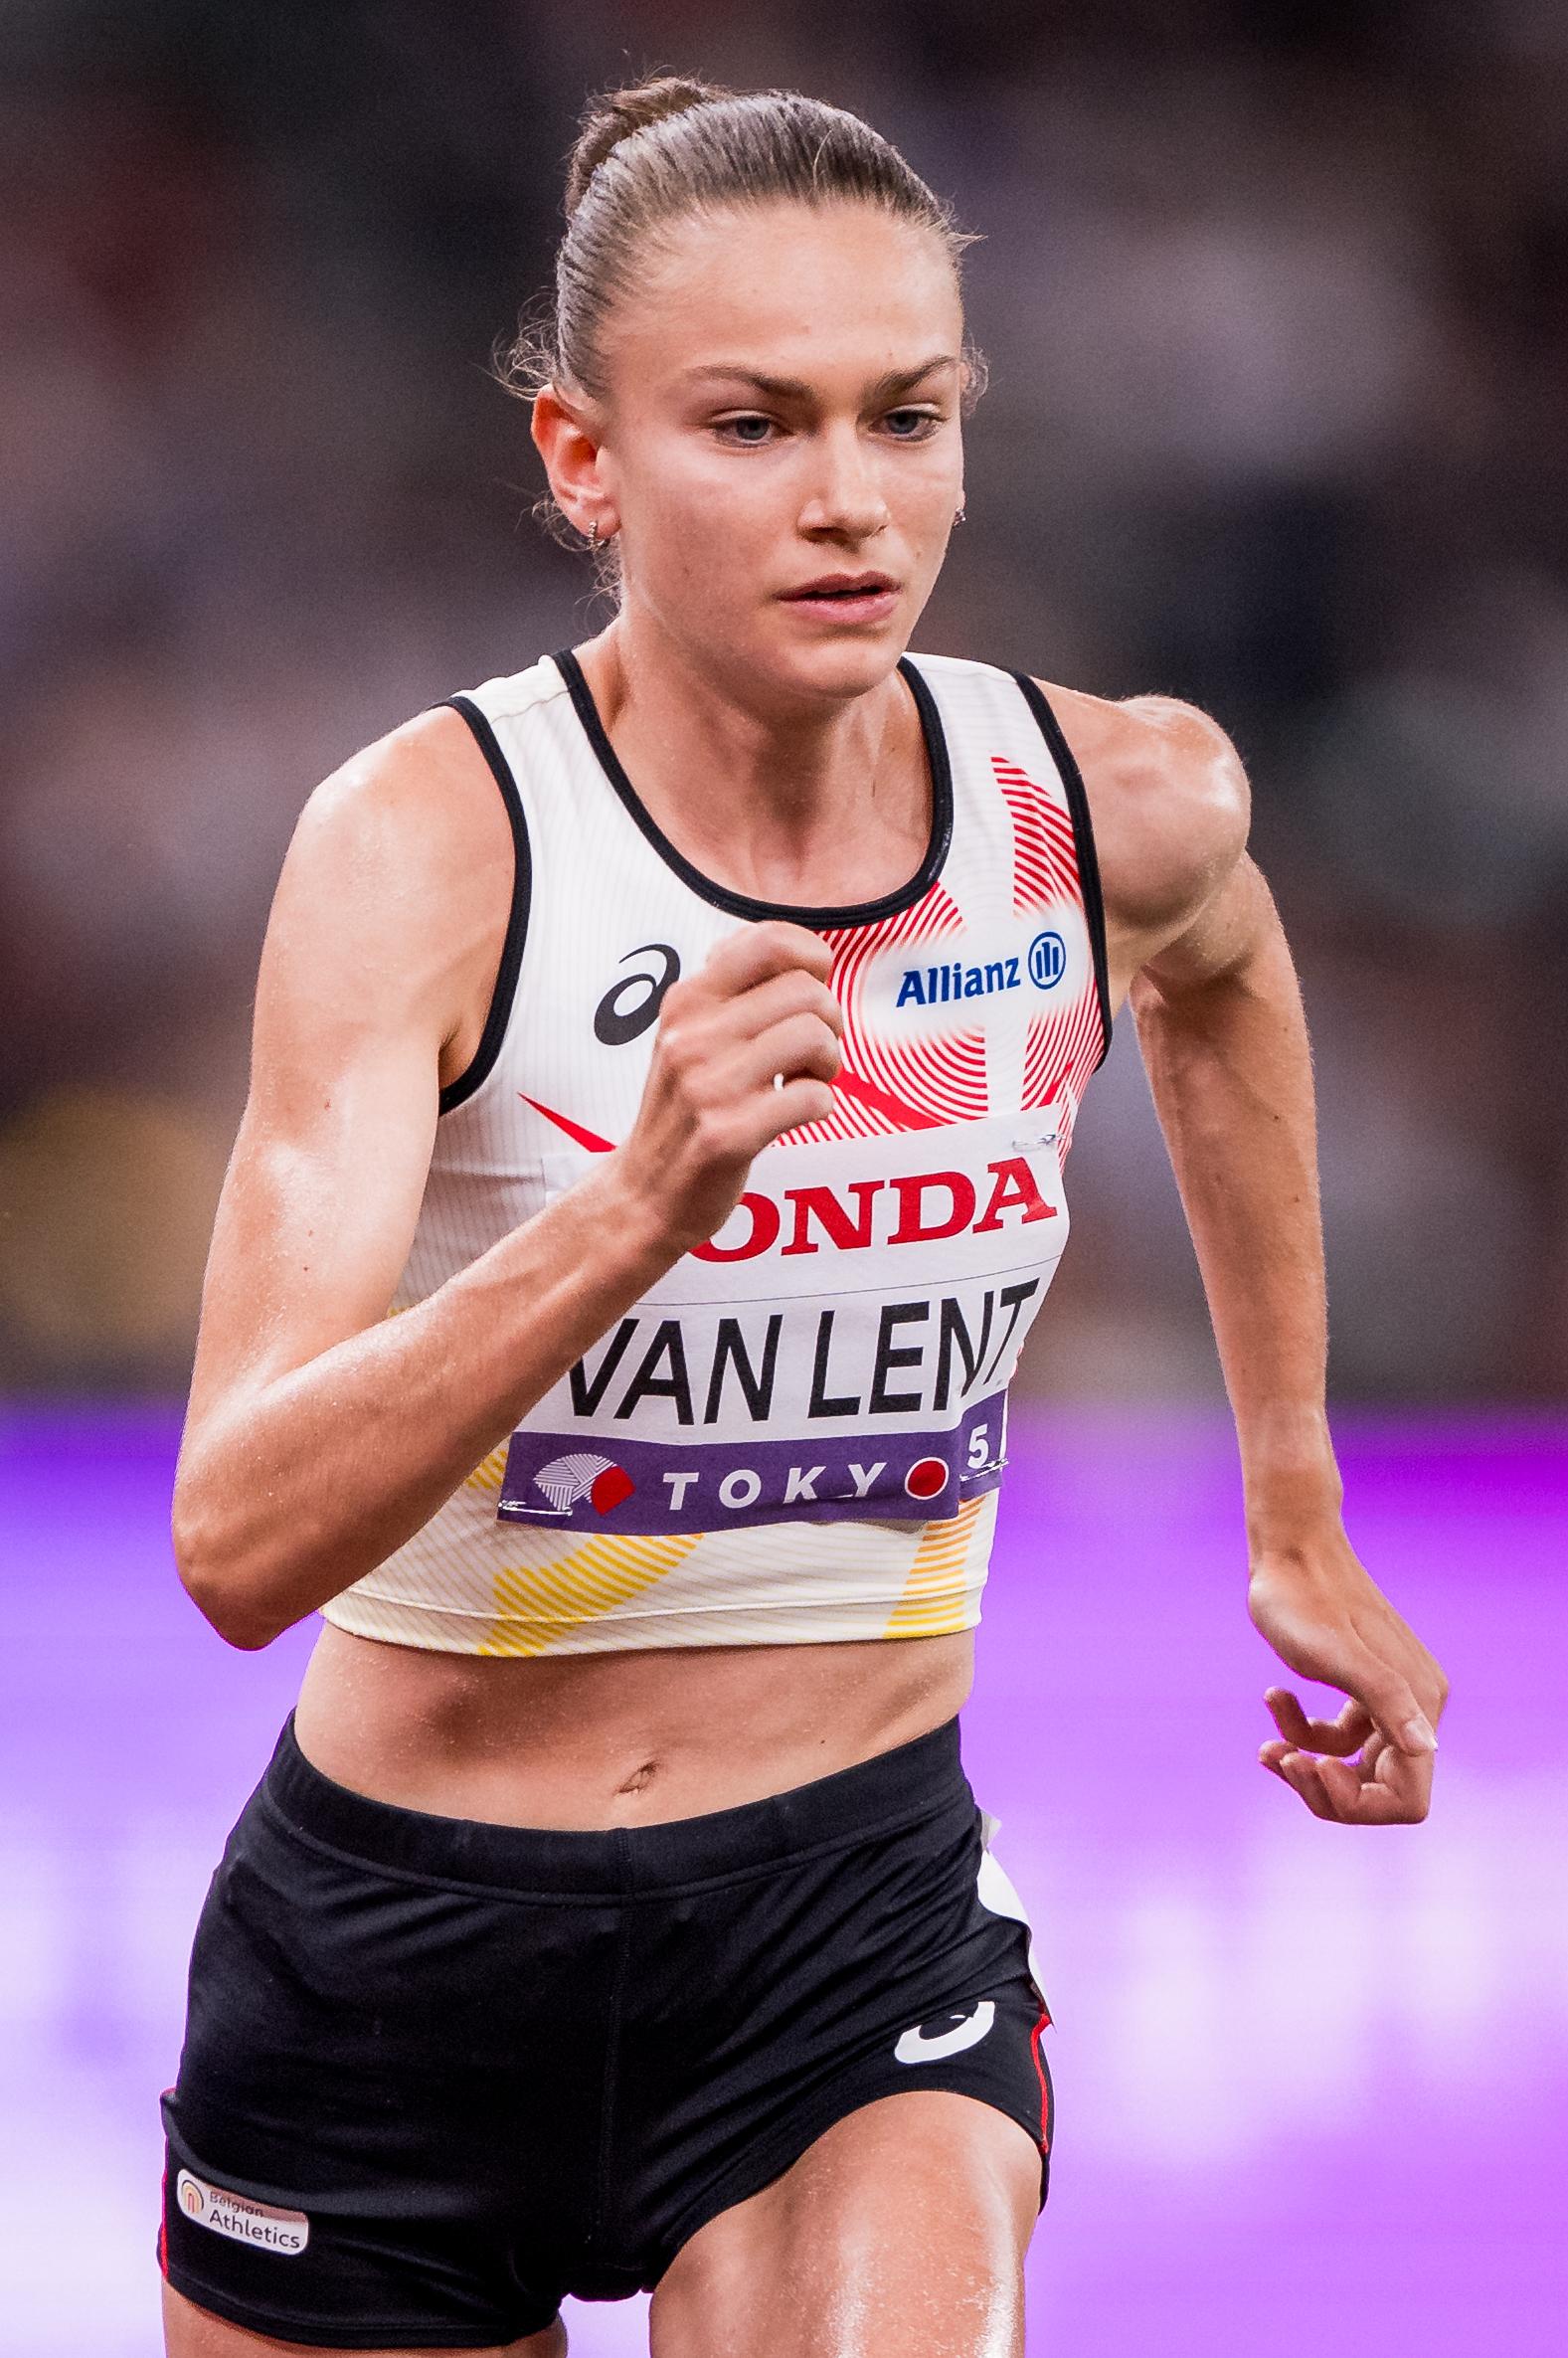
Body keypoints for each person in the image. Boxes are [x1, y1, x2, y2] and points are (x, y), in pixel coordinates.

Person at [158, 76, 1449, 2358]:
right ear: (585, 458)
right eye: (752, 426)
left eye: (907, 417)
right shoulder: (432, 851)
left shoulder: (1097, 802)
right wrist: (632, 1208)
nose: (854, 501)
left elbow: (1229, 978)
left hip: (844, 1928)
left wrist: (1294, 1497)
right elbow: (240, 1540)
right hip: (396, 1955)